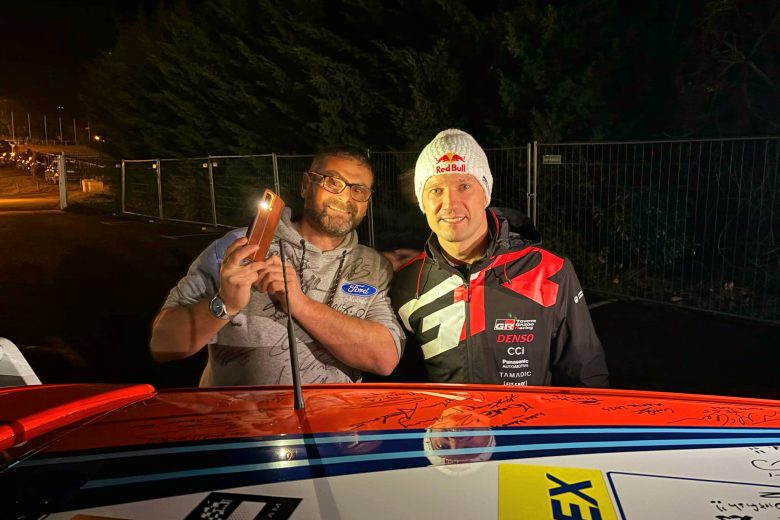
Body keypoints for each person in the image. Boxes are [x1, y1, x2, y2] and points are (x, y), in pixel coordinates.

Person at [150, 146, 404, 386]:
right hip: (239, 417)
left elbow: (384, 360)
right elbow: (162, 345)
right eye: (332, 182)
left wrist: (301, 304)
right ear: (306, 185)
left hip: (334, 419)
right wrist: (225, 303)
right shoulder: (239, 247)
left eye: (358, 190)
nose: (344, 197)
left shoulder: (374, 266)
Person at [390, 129, 608, 387]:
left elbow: (587, 378)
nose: (450, 203)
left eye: (464, 186)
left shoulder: (550, 270)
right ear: (422, 203)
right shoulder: (407, 283)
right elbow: (402, 386)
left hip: (526, 417)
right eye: (436, 190)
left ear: (486, 193)